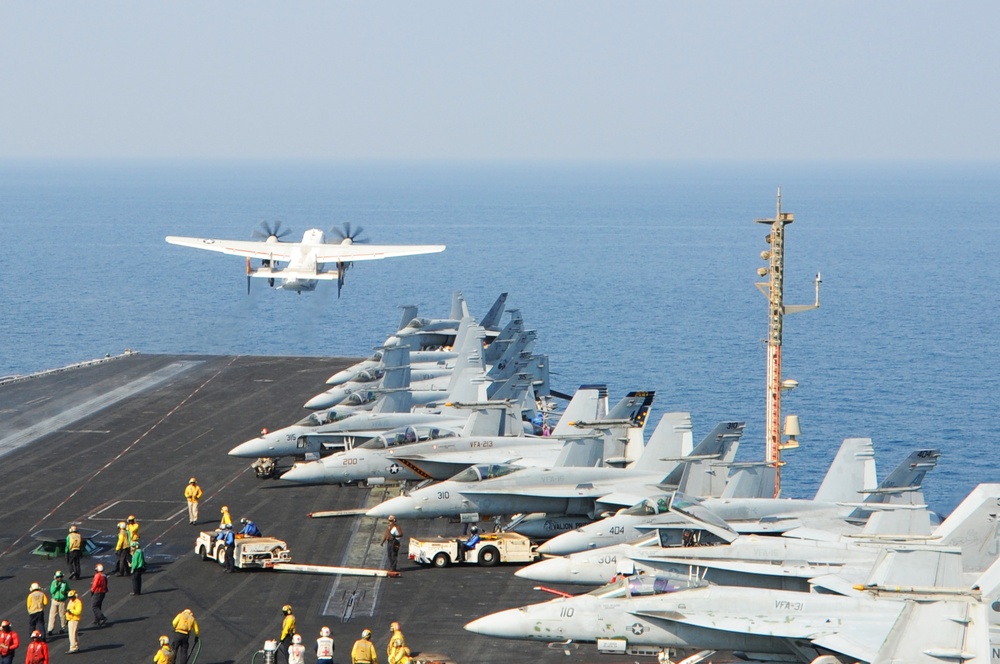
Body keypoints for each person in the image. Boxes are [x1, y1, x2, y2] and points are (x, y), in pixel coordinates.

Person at [47, 572, 68, 637]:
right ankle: (50, 629)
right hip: (54, 600)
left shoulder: (65, 583)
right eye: (58, 577)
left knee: (62, 615)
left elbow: (69, 591)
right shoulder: (53, 583)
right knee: (52, 615)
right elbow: (52, 591)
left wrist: (65, 593)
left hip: (62, 601)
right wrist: (56, 585)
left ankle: (63, 627)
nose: (59, 578)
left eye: (61, 577)